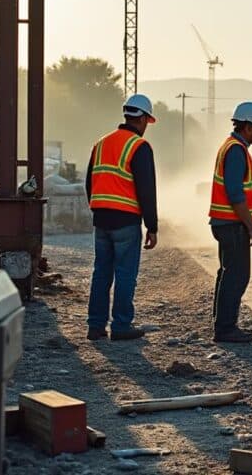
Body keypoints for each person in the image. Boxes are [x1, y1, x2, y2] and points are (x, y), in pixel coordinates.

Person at [85, 94, 159, 340]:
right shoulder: (139, 146)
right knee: (125, 274)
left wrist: (97, 209)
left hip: (101, 219)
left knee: (101, 273)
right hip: (126, 220)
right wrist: (152, 226)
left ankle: (95, 327)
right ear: (144, 120)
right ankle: (121, 326)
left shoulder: (101, 144)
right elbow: (146, 189)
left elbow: (89, 182)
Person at [208, 102, 252, 343]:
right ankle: (225, 329)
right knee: (237, 276)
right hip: (232, 224)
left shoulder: (231, 147)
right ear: (247, 126)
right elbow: (235, 194)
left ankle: (222, 324)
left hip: (225, 223)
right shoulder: (236, 151)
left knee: (227, 273)